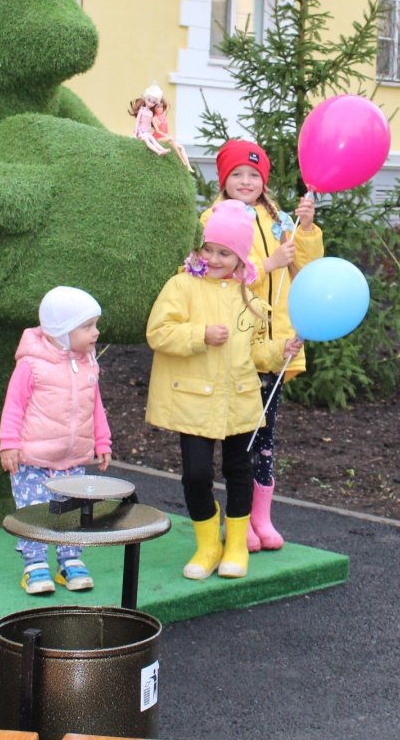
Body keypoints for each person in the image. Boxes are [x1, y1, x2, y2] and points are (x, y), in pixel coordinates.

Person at [145, 198, 303, 580]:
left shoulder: (249, 297)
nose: (214, 259)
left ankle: (235, 545)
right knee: (196, 474)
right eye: (208, 249)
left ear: (239, 259)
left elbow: (256, 352)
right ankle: (207, 545)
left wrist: (278, 350)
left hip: (241, 399)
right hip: (193, 401)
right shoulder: (181, 285)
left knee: (239, 470)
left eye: (224, 253)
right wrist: (200, 334)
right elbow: (158, 332)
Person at [203, 139, 323, 552]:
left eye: (254, 174)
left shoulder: (279, 219)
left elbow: (307, 274)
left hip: (277, 346)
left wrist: (305, 231)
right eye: (236, 173)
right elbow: (212, 277)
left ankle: (261, 516)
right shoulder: (213, 217)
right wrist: (264, 268)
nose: (245, 181)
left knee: (265, 434)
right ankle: (237, 517)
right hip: (237, 345)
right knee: (239, 436)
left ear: (264, 180)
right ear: (224, 179)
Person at [0, 285, 112, 595]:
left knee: (73, 510)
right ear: (61, 331)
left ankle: (69, 561)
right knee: (34, 510)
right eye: (87, 326)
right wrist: (9, 443)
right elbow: (14, 405)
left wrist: (101, 441)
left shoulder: (88, 362)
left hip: (73, 458)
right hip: (33, 460)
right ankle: (34, 564)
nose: (95, 332)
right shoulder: (31, 365)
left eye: (95, 325)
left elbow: (94, 405)